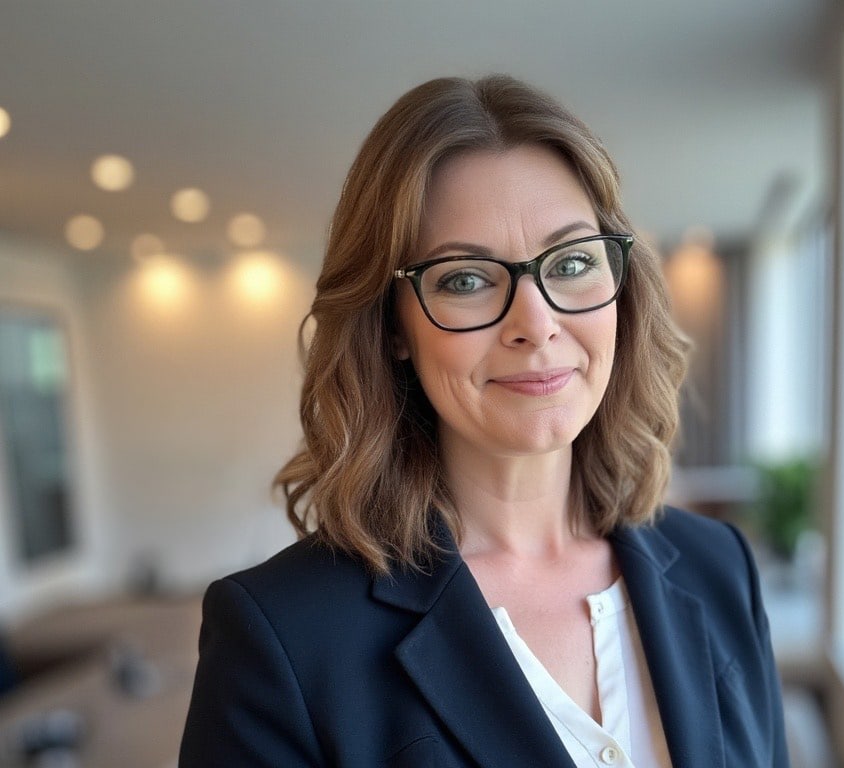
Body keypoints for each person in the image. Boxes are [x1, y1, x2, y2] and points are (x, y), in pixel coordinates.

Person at [179, 75, 789, 768]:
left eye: (573, 262)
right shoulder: (282, 638)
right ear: (393, 326)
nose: (536, 322)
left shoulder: (720, 569)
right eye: (465, 279)